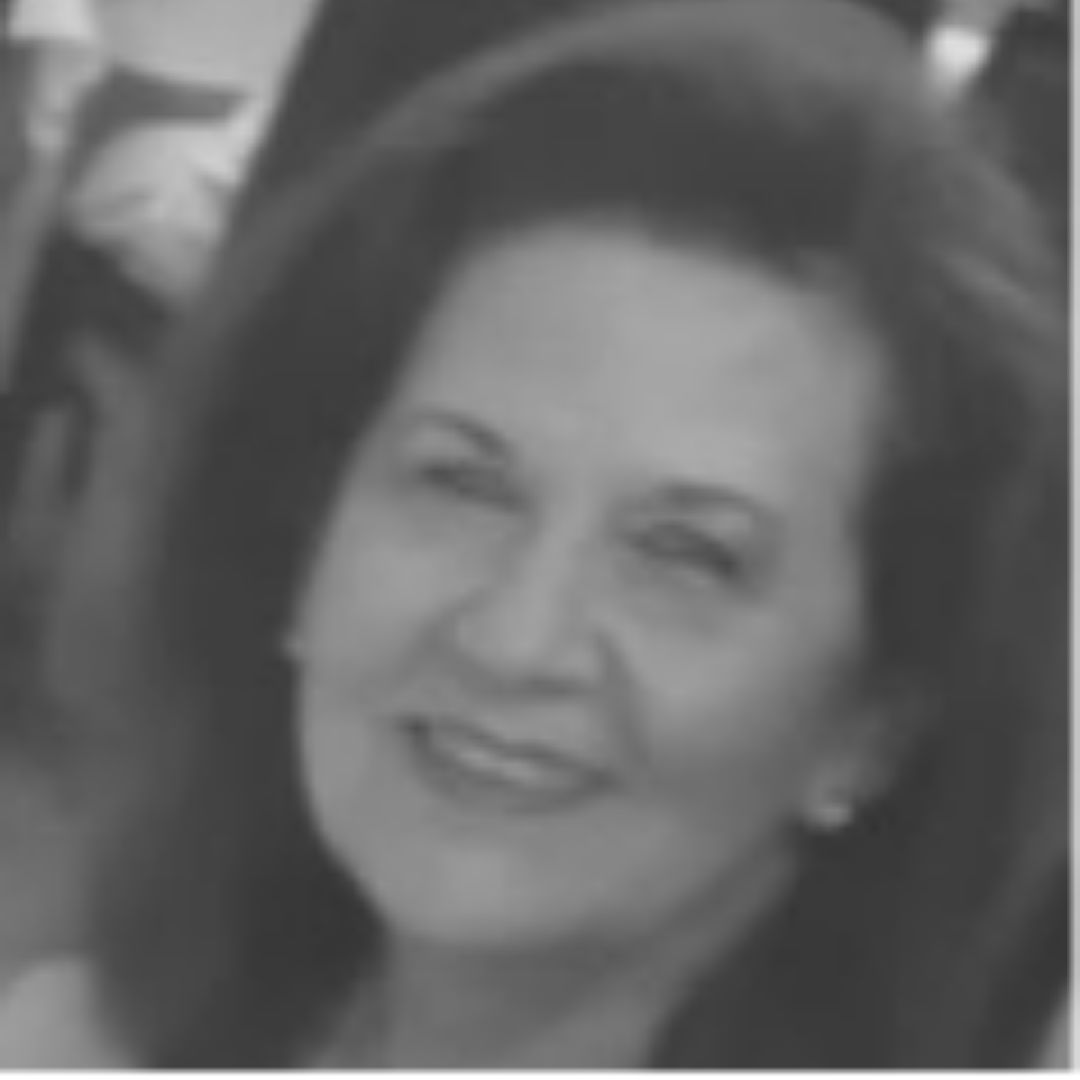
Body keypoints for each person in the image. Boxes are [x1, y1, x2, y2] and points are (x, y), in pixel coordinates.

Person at [0, 0, 1067, 1067]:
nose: (515, 639)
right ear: (303, 534)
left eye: (686, 555)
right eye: (462, 483)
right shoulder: (78, 1038)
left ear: (875, 724)